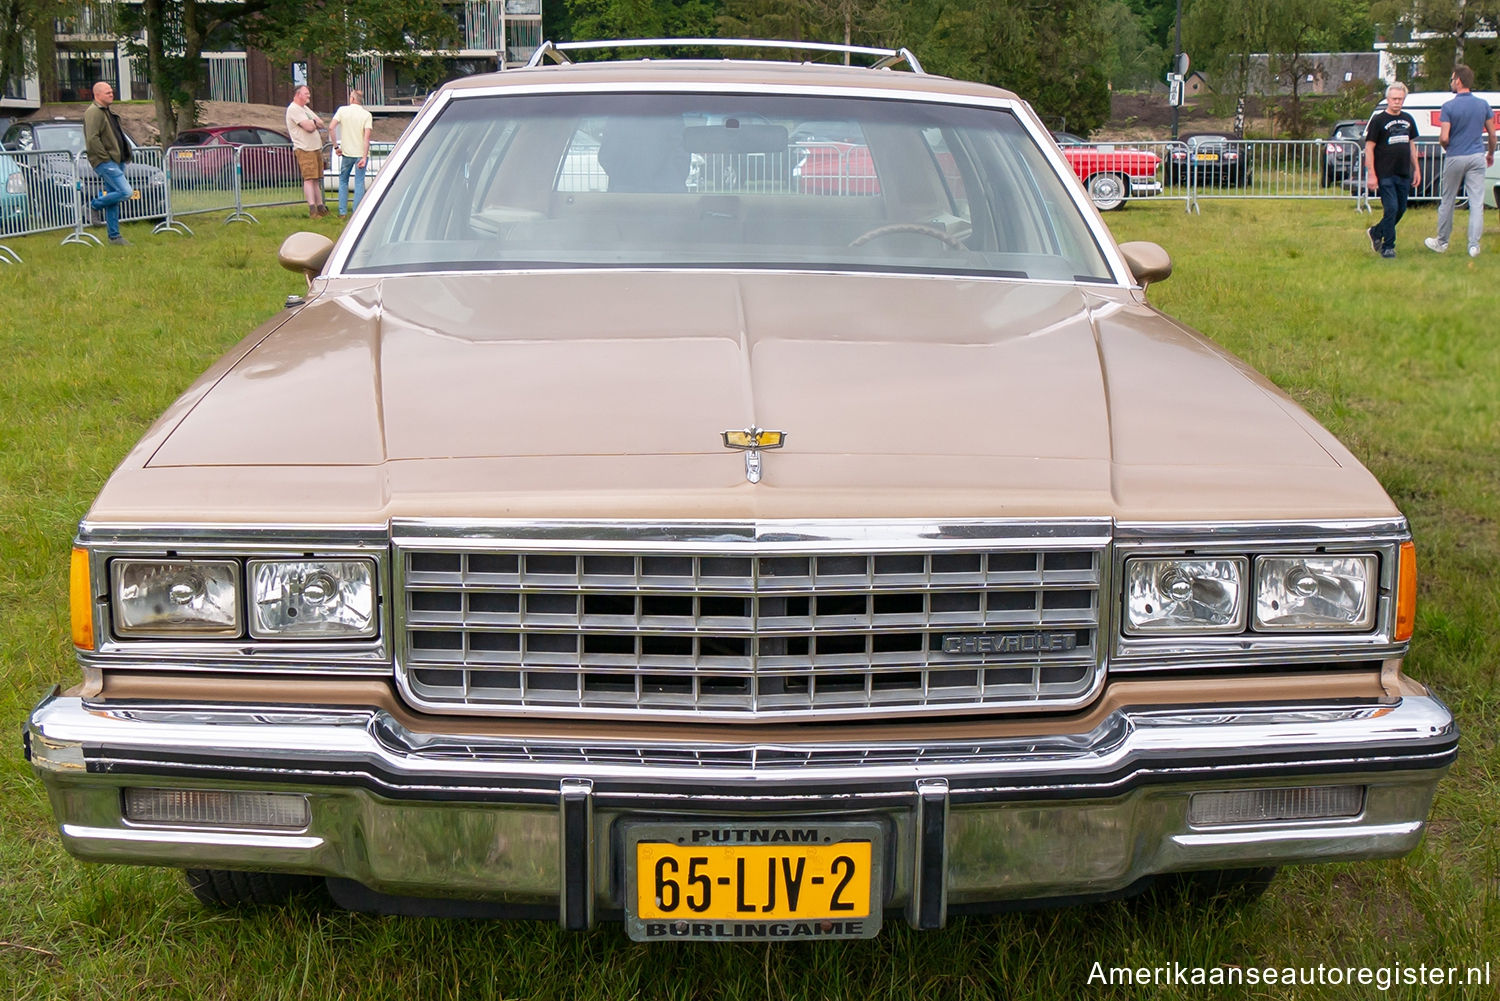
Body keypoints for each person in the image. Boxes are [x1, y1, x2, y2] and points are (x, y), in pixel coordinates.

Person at [1424, 64, 1496, 258]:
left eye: (1453, 79)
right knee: (1476, 202)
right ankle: (1473, 245)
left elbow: (1444, 137)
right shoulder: (1483, 105)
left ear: (1459, 81)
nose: (1451, 82)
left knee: (1448, 200)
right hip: (1476, 156)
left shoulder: (1449, 107)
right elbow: (1492, 135)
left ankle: (1442, 241)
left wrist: (1448, 148)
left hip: (1456, 155)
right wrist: (1489, 153)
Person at [1364, 83, 1421, 259]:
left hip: (1403, 172)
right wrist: (1372, 174)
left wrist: (1416, 169)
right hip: (1385, 172)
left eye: (1400, 99)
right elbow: (1369, 147)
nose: (1397, 102)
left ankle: (1376, 231)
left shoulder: (1408, 119)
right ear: (1388, 99)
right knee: (1391, 208)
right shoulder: (1378, 121)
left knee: (1401, 209)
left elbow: (1411, 145)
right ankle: (1388, 246)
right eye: (1394, 99)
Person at [83, 81, 133, 246]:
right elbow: (92, 138)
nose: (111, 94)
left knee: (113, 199)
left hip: (116, 161)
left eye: (112, 92)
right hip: (106, 162)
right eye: (108, 93)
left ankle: (114, 237)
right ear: (97, 95)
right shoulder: (94, 112)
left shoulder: (106, 111)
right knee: (126, 192)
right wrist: (105, 158)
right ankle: (93, 205)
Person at [285, 84, 328, 218]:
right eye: (306, 93)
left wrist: (313, 122)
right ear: (298, 95)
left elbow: (321, 123)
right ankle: (312, 209)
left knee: (316, 179)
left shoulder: (305, 109)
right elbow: (309, 127)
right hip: (304, 148)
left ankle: (321, 207)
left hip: (315, 147)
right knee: (309, 178)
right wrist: (314, 123)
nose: (308, 95)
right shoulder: (294, 109)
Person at [329, 89, 374, 217]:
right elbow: (366, 138)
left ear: (352, 99)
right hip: (361, 153)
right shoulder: (366, 115)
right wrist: (364, 157)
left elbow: (331, 127)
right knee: (359, 182)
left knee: (343, 181)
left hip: (347, 153)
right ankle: (356, 212)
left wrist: (336, 146)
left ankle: (342, 212)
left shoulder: (342, 110)